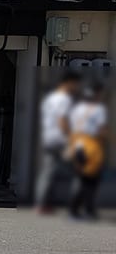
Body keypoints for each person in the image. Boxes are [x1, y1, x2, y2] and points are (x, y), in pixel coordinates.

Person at [35, 70, 81, 214]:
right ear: (69, 83)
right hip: (61, 140)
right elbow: (62, 121)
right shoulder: (64, 99)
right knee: (80, 171)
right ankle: (75, 207)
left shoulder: (50, 98)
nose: (76, 87)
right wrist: (72, 138)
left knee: (48, 172)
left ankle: (43, 204)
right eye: (75, 84)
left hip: (49, 139)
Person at [66, 81, 107, 221]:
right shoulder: (98, 109)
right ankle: (85, 210)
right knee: (90, 181)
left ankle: (76, 210)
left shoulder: (77, 109)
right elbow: (101, 130)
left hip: (77, 147)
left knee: (82, 179)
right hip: (91, 148)